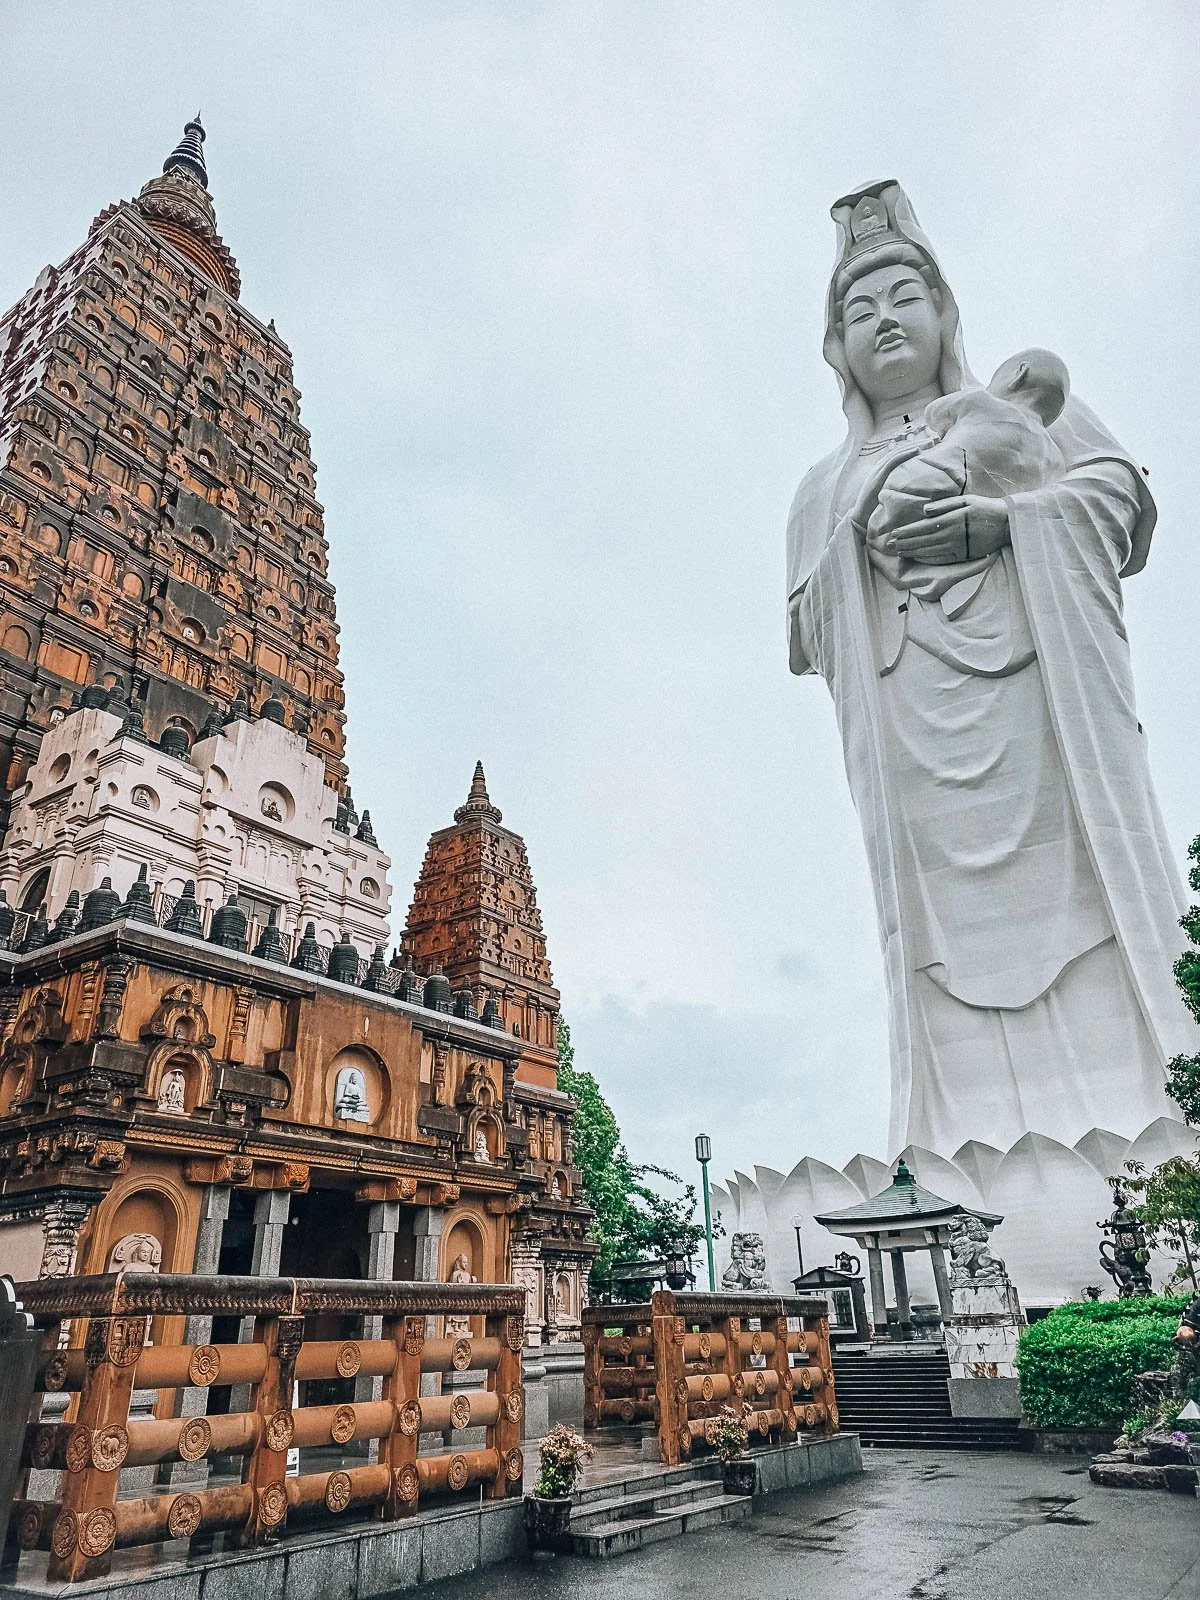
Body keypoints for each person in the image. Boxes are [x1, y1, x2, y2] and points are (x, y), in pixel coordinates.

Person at [786, 180, 1194, 1156]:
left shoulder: (1015, 408)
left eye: (904, 298)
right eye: (859, 308)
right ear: (837, 347)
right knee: (936, 960)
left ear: (945, 312)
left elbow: (1120, 500)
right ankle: (951, 1140)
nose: (884, 320)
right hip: (912, 744)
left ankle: (1160, 1113)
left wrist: (1007, 519)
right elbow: (805, 626)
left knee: (1096, 907)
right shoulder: (823, 486)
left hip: (1045, 715)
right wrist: (860, 541)